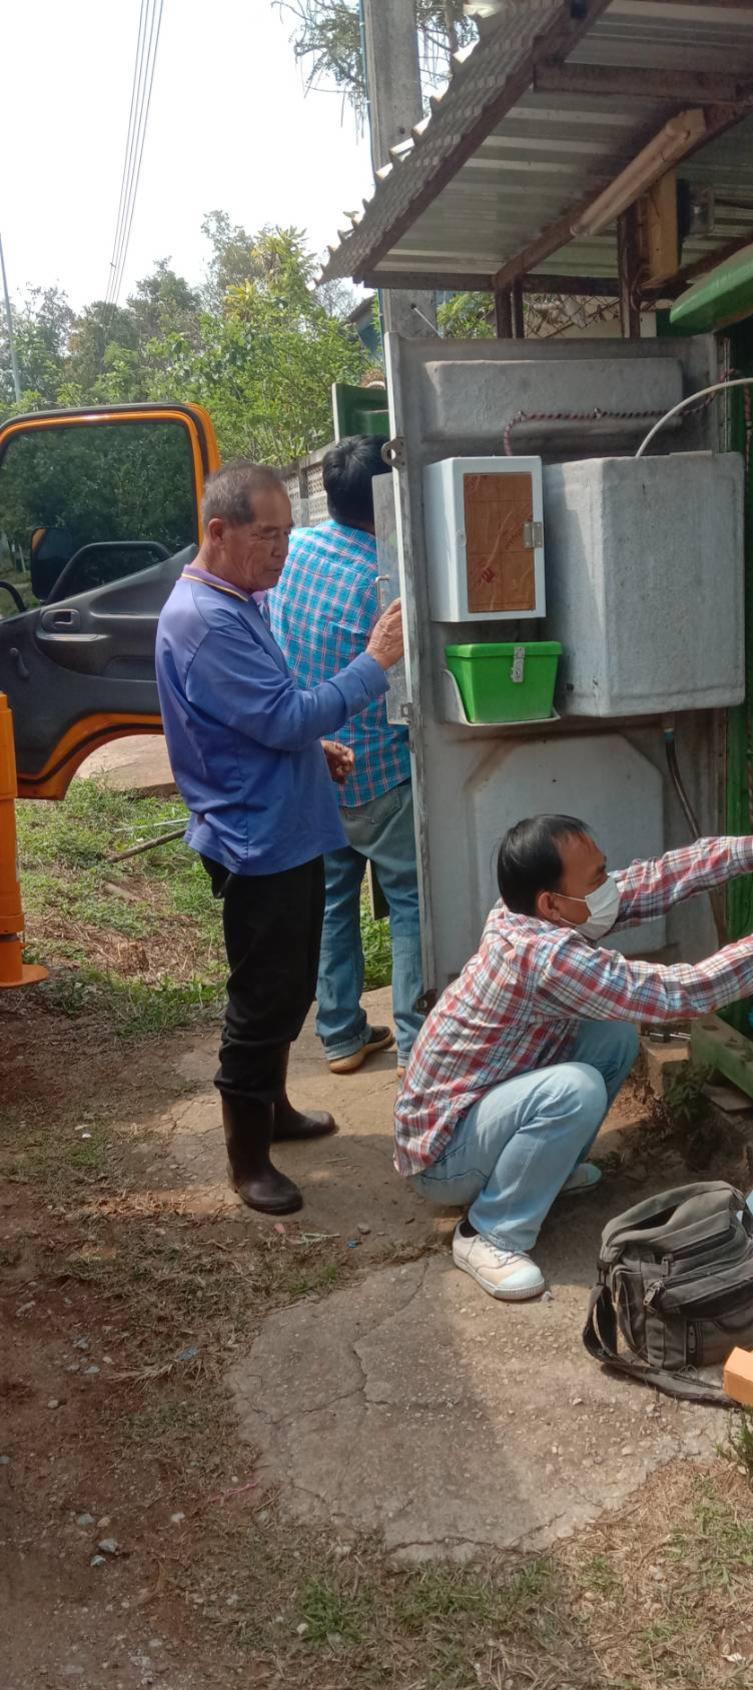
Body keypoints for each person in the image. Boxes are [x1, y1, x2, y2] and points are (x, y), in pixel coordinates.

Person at [395, 812, 753, 1302]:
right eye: (596, 880)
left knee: (611, 1036)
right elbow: (682, 992)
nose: (608, 886)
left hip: (475, 1110)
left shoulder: (530, 910)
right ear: (551, 903)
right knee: (575, 1090)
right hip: (442, 1155)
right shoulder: (543, 956)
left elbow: (662, 877)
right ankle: (490, 1231)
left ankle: (542, 1171)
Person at [155, 460, 404, 1217]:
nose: (282, 551)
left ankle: (275, 1108)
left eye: (288, 533)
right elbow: (283, 715)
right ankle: (247, 1160)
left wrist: (307, 751)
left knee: (293, 984)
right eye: (267, 536)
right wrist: (374, 663)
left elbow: (258, 718)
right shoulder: (207, 620)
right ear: (218, 531)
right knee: (262, 999)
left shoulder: (237, 599)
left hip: (283, 825)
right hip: (255, 839)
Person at [271, 436, 422, 1079]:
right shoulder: (386, 580)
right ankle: (417, 1044)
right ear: (387, 494)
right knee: (412, 903)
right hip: (380, 774)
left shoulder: (295, 550)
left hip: (314, 764)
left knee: (334, 901)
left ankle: (339, 1034)